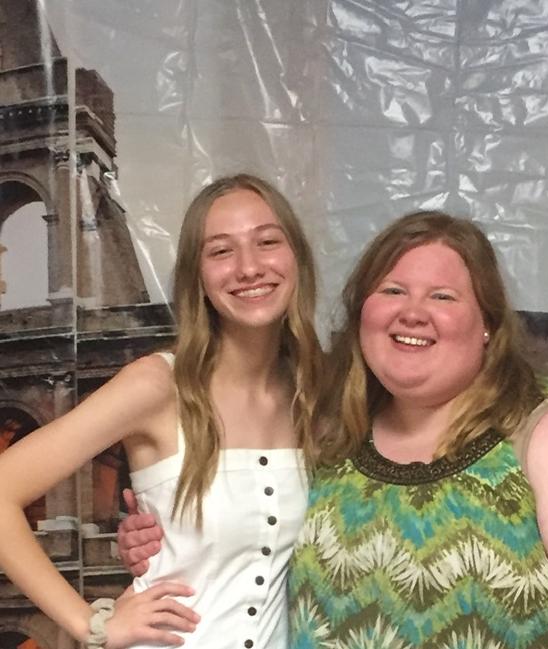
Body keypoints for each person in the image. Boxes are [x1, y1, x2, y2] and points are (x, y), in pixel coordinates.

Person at [119, 211, 548, 648]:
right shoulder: (332, 434)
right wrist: (167, 537)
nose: (413, 313)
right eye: (393, 290)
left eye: (443, 297)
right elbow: (255, 531)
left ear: (488, 323)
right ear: (362, 314)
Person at [0, 173, 322, 649]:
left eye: (267, 242)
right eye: (221, 251)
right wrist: (93, 623)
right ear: (198, 276)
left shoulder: (318, 395)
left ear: (297, 256)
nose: (249, 267)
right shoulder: (156, 385)